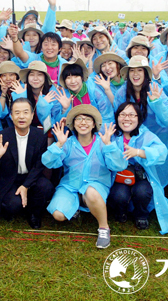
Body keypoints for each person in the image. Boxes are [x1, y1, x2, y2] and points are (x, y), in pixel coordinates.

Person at [42, 105, 125, 248]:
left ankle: (104, 228)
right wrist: (59, 144)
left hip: (96, 185)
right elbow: (48, 162)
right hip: (71, 185)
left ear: (94, 124)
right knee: (58, 214)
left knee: (91, 192)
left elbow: (119, 165)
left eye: (87, 119)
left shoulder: (103, 141)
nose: (83, 122)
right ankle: (76, 206)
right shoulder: (68, 143)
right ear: (73, 124)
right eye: (78, 119)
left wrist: (109, 145)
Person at [108, 102, 168, 233]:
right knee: (118, 194)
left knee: (142, 192)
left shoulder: (145, 135)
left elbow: (161, 152)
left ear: (139, 118)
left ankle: (141, 215)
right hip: (119, 177)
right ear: (117, 117)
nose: (127, 119)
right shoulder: (112, 135)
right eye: (123, 115)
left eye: (132, 115)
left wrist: (139, 152)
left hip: (140, 176)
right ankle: (121, 212)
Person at [0, 98, 54, 228]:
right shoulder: (2, 136)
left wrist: (25, 186)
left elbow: (39, 165)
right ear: (11, 115)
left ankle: (34, 213)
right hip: (10, 179)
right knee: (12, 206)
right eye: (17, 112)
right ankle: (15, 206)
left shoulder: (40, 136)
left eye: (26, 112)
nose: (21, 116)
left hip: (31, 177)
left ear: (32, 115)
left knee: (46, 187)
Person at [114, 55, 168, 186]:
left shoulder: (154, 88)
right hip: (133, 139)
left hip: (157, 137)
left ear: (146, 73)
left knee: (156, 174)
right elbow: (116, 116)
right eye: (132, 70)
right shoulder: (122, 92)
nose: (135, 74)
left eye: (140, 70)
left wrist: (156, 102)